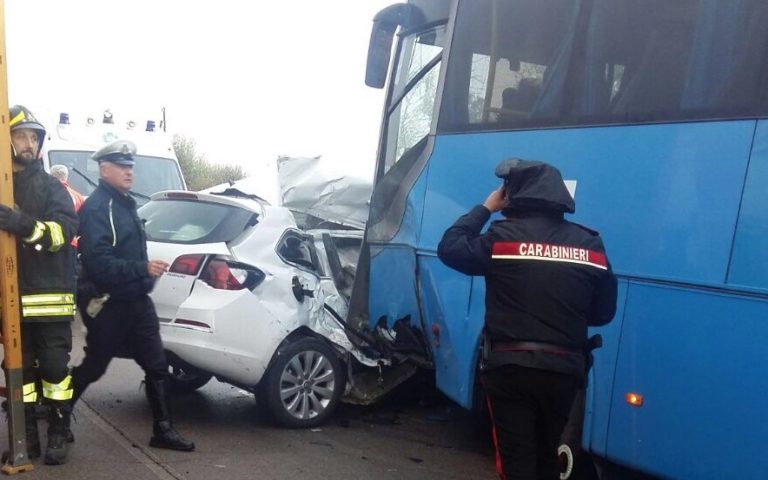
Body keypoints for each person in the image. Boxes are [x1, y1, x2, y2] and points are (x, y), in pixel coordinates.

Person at [437, 158, 617, 480]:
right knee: (548, 458)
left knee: (517, 463)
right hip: (565, 372)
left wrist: (485, 208)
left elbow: (449, 247)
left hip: (511, 371)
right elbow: (603, 314)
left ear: (512, 195)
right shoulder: (591, 244)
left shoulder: (502, 238)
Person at [71, 139, 194, 452]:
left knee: (157, 366)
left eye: (130, 166)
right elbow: (98, 263)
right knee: (94, 367)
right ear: (104, 169)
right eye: (122, 166)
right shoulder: (99, 207)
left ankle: (163, 431)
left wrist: (143, 275)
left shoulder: (125, 203)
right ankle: (58, 415)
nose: (129, 172)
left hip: (138, 302)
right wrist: (143, 267)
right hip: (109, 303)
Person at [0, 105, 78, 465]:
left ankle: (59, 430)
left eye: (34, 137)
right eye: (21, 135)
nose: (29, 143)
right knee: (21, 374)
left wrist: (22, 224)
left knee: (53, 371)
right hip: (12, 303)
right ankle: (25, 435)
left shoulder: (51, 187)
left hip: (49, 299)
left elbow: (63, 232)